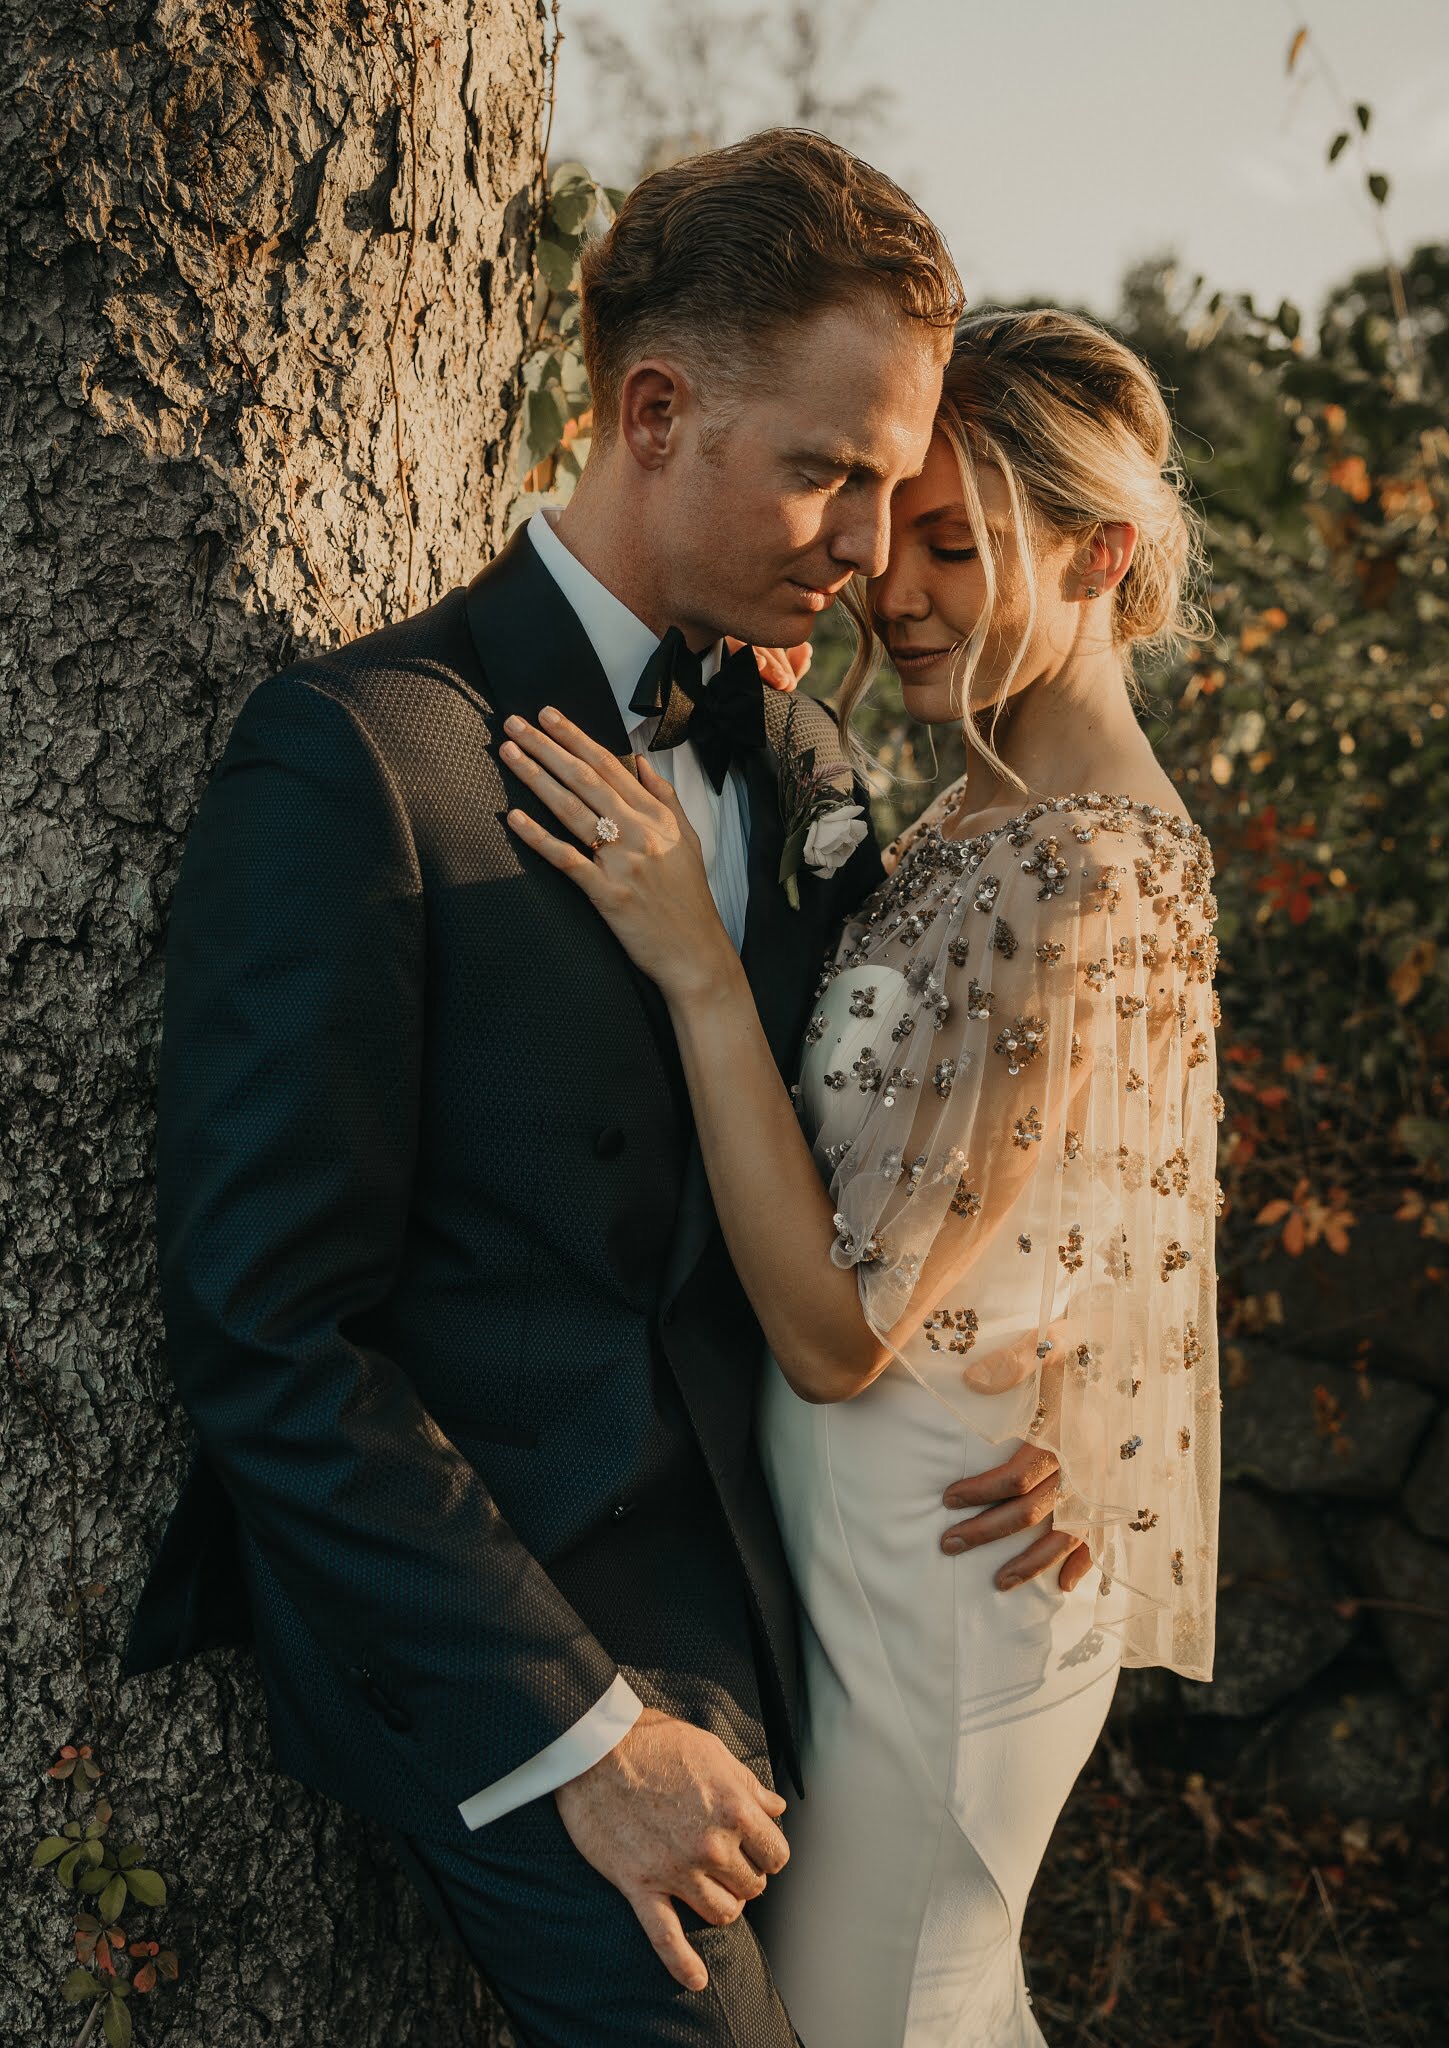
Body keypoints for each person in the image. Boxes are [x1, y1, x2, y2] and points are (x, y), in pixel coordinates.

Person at [119, 129, 971, 2046]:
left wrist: (1023, 1412)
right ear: (654, 411)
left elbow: (862, 1187)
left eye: (893, 485)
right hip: (514, 1629)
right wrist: (582, 1734)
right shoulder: (358, 764)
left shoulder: (812, 768)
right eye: (830, 472)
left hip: (787, 1591)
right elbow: (269, 1331)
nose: (863, 545)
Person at [501, 306, 1223, 2046]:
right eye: (896, 541)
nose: (896, 591)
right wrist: (1085, 1368)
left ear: (1104, 551)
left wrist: (690, 959)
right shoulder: (971, 815)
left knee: (886, 2017)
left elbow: (839, 1335)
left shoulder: (1087, 875)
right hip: (850, 1539)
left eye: (959, 548)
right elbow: (1099, 1183)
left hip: (945, 1573)